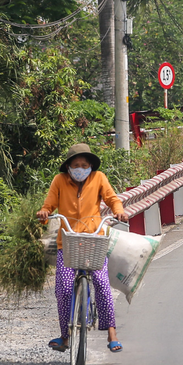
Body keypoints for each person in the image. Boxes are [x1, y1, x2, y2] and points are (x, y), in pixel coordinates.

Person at [37, 144, 129, 353]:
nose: (80, 168)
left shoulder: (99, 178)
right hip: (67, 242)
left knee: (102, 284)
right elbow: (49, 204)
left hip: (94, 240)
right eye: (76, 165)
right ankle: (65, 337)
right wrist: (44, 212)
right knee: (63, 289)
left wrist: (119, 212)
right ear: (68, 166)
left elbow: (112, 199)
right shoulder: (59, 181)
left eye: (84, 165)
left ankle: (112, 334)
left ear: (90, 166)